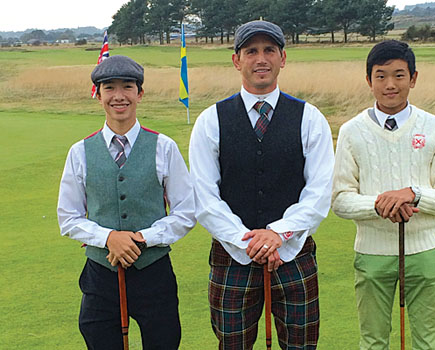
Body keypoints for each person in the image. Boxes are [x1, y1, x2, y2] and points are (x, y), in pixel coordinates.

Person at [189, 20, 334, 350]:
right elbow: (205, 196)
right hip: (232, 256)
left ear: (283, 58)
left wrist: (278, 234)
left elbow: (319, 191)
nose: (261, 59)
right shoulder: (210, 120)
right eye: (251, 51)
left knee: (301, 345)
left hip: (293, 253)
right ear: (236, 60)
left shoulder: (310, 118)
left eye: (269, 50)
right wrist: (249, 241)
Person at [57, 55, 196, 350]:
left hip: (154, 274)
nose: (118, 96)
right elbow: (68, 217)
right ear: (98, 94)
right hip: (100, 277)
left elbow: (186, 212)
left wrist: (142, 238)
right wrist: (109, 238)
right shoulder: (79, 152)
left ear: (140, 94)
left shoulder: (164, 147)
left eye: (127, 87)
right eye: (109, 88)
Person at [331, 40, 435, 350]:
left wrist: (413, 195)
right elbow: (339, 199)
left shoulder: (433, 126)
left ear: (413, 79)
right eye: (381, 75)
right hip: (372, 254)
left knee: (429, 343)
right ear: (369, 80)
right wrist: (380, 204)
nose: (390, 84)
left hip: (425, 252)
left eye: (399, 75)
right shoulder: (351, 131)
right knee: (373, 343)